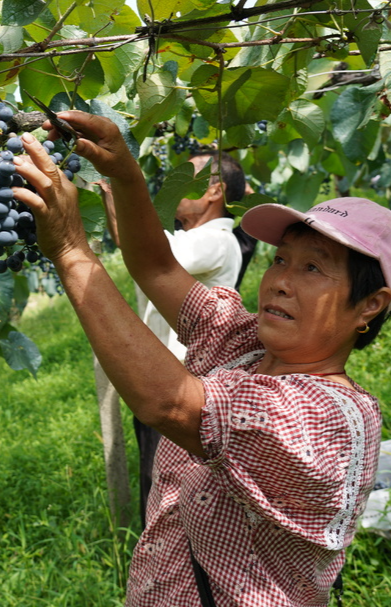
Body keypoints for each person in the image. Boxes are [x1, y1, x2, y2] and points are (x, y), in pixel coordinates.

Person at [11, 111, 391, 606]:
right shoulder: (243, 345)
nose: (281, 280)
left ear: (370, 305)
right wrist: (125, 171)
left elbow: (170, 405)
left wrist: (72, 251)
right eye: (281, 260)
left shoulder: (328, 421)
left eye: (313, 268)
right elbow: (157, 266)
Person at [101, 151, 245, 528]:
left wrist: (120, 187)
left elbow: (151, 254)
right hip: (163, 377)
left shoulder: (216, 241)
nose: (172, 188)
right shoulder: (192, 238)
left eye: (185, 180)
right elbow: (137, 246)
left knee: (168, 482)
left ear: (215, 191)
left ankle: (168, 556)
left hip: (184, 384)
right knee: (155, 472)